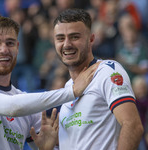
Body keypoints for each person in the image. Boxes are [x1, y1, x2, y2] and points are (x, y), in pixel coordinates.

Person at [0, 15, 99, 150]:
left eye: (10, 43)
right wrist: (71, 92)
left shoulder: (25, 105)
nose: (4, 49)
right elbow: (11, 106)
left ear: (17, 47)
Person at [30, 8, 144, 150]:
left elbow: (132, 125)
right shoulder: (68, 88)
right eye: (60, 38)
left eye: (74, 37)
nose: (66, 44)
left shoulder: (107, 71)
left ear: (91, 39)